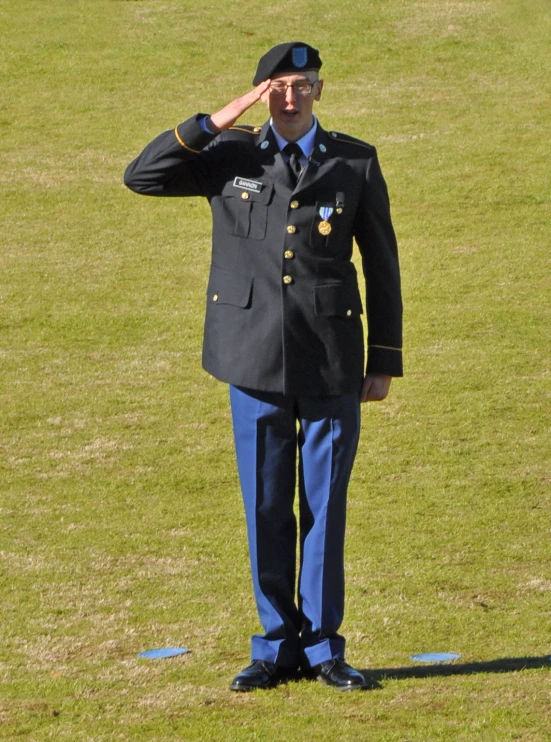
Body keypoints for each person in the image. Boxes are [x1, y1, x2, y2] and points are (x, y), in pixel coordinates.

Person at [124, 41, 402, 692]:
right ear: (259, 94)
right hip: (249, 355)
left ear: (318, 92)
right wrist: (215, 120)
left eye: (301, 84)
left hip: (333, 357)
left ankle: (323, 647)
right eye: (275, 85)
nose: (289, 95)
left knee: (325, 506)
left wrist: (384, 358)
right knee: (266, 504)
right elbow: (142, 175)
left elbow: (382, 263)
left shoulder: (353, 160)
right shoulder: (229, 155)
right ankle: (274, 645)